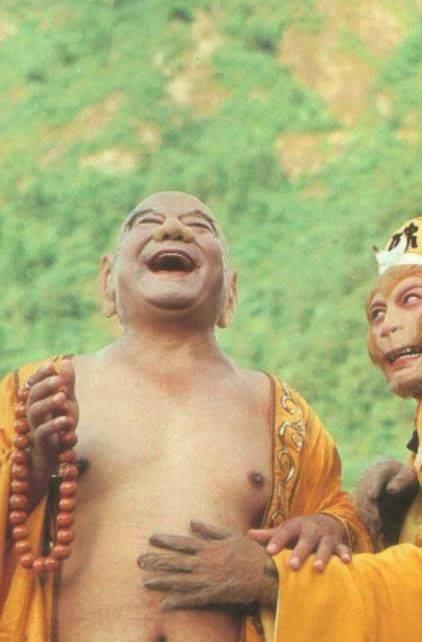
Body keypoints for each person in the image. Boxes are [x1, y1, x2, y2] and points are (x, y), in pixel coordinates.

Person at [139, 217, 422, 642]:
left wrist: (272, 578)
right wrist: (361, 526)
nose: (387, 325)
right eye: (376, 313)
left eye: (411, 299)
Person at [0, 191, 370, 642]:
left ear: (231, 292)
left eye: (199, 226)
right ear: (107, 281)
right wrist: (33, 467)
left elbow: (344, 527)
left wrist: (325, 531)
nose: (172, 229)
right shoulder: (39, 392)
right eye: (146, 222)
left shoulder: (281, 411)